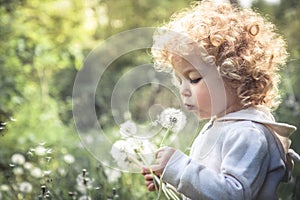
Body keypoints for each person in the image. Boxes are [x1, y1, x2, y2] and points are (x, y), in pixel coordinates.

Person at [141, 0, 299, 199]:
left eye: (193, 79)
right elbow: (208, 187)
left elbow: (232, 194)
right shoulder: (221, 125)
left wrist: (179, 168)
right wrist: (169, 177)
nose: (183, 91)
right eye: (179, 81)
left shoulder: (247, 133)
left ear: (234, 76)